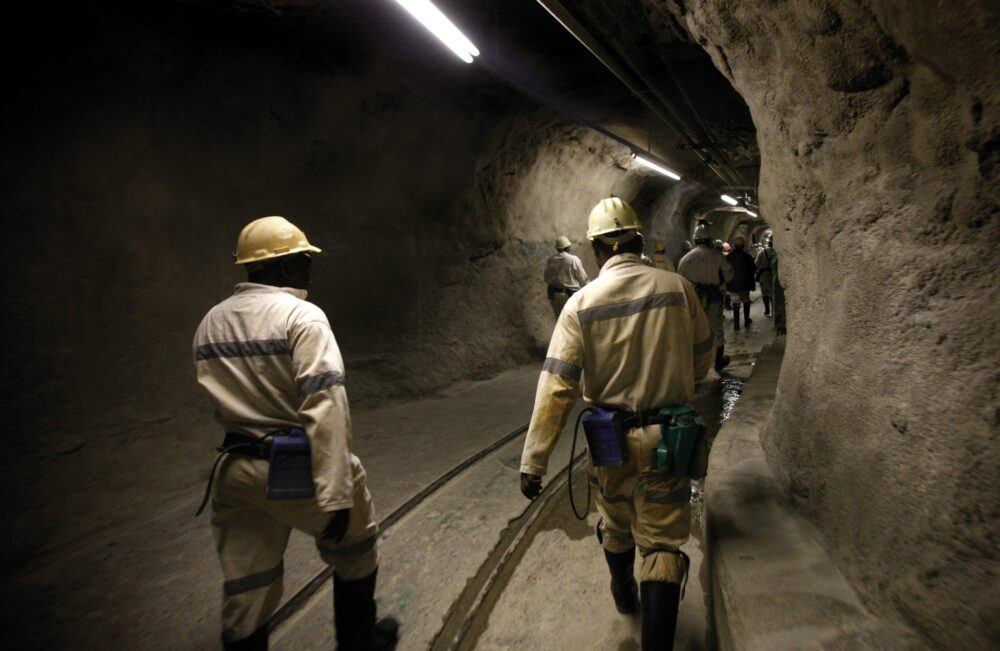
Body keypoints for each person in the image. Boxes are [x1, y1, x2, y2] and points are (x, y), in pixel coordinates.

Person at [193, 216, 398, 651]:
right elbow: (324, 403)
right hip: (294, 468)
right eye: (305, 259)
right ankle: (359, 642)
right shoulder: (301, 316)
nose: (310, 268)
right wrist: (337, 491)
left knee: (249, 581)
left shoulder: (211, 322)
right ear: (284, 267)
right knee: (356, 547)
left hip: (233, 469)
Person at [519, 198, 715, 651]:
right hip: (671, 437)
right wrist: (674, 378)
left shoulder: (580, 305)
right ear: (640, 241)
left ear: (594, 251)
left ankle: (624, 593)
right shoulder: (677, 288)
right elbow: (703, 356)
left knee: (615, 519)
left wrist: (535, 460)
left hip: (610, 442)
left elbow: (557, 387)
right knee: (663, 541)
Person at [678, 225, 734, 371]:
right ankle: (718, 361)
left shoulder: (685, 259)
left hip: (693, 298)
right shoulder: (716, 256)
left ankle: (694, 364)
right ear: (709, 240)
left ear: (695, 240)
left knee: (693, 328)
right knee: (716, 328)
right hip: (713, 297)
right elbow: (729, 275)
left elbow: (681, 280)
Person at [544, 235, 589, 317]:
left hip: (555, 295)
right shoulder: (573, 260)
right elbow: (583, 279)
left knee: (559, 321)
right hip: (570, 296)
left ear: (557, 248)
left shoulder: (550, 260)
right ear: (568, 247)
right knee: (573, 321)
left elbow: (546, 279)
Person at [726, 236, 757, 331]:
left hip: (733, 284)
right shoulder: (747, 257)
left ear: (734, 245)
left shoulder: (729, 257)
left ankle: (736, 325)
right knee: (746, 301)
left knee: (735, 303)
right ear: (743, 245)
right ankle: (747, 321)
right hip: (744, 284)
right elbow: (754, 269)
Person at [755, 237, 774, 316]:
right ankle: (774, 310)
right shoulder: (776, 252)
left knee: (765, 293)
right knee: (773, 292)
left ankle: (767, 310)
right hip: (774, 274)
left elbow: (756, 263)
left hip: (764, 274)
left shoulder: (762, 252)